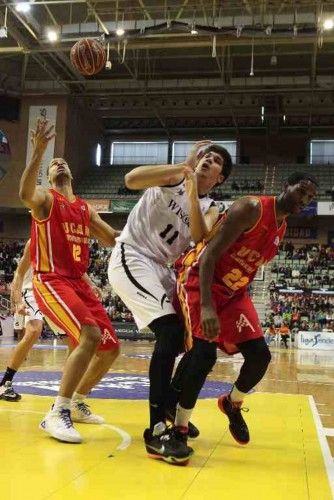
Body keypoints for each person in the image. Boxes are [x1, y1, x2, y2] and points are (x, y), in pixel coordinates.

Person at [168, 172, 317, 452]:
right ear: (286, 186)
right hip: (203, 282)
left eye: (310, 198)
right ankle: (179, 427)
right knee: (203, 354)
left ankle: (231, 403)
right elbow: (210, 255)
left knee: (260, 356)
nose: (305, 200)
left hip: (235, 293)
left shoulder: (281, 227)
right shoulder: (250, 208)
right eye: (302, 192)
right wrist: (208, 306)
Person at [108, 140, 233, 464]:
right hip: (132, 254)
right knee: (169, 333)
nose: (207, 160)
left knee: (193, 341)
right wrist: (182, 169)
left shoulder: (211, 206)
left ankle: (169, 405)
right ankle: (157, 430)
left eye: (215, 160)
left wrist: (192, 189)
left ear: (220, 177)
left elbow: (200, 236)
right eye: (205, 154)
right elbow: (131, 180)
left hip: (161, 268)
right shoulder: (173, 176)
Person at [19, 119, 120, 444]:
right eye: (53, 164)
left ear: (71, 174)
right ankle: (56, 412)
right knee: (89, 336)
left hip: (79, 283)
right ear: (49, 177)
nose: (58, 163)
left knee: (110, 348)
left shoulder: (83, 208)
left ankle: (75, 401)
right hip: (51, 280)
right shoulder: (45, 200)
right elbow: (23, 193)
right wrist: (37, 153)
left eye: (61, 162)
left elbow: (109, 238)